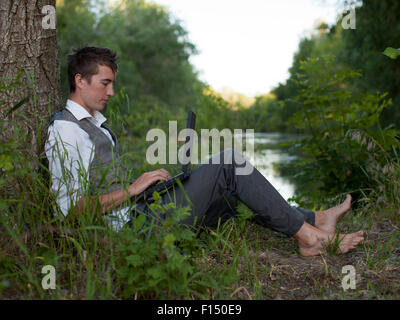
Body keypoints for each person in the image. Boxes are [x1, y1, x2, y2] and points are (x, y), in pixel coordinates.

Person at [45, 46, 365, 257]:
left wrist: (149, 188)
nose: (111, 92)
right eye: (105, 83)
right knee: (228, 162)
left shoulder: (95, 124)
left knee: (227, 192)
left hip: (137, 213)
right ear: (80, 80)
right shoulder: (66, 131)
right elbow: (70, 210)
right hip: (129, 233)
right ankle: (309, 238)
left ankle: (316, 219)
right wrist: (133, 188)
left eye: (113, 83)